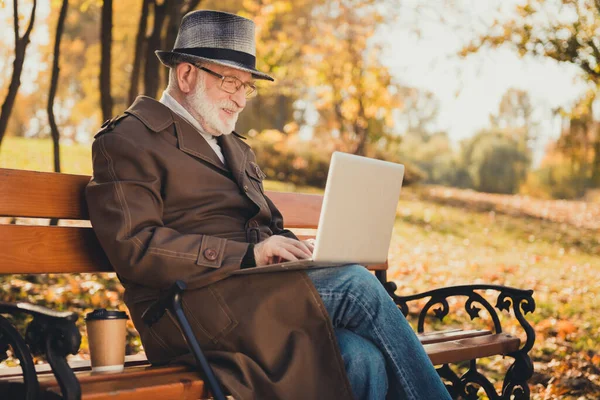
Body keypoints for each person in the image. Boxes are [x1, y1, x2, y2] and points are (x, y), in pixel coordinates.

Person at [86, 10, 451, 400]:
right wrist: (249, 255)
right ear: (186, 74)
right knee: (355, 285)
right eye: (229, 81)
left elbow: (266, 227)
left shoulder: (236, 148)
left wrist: (301, 251)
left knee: (359, 357)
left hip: (252, 296)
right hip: (189, 308)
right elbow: (135, 246)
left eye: (247, 86)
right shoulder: (129, 138)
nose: (240, 99)